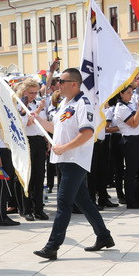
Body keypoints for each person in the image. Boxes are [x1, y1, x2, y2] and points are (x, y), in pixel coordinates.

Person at [32, 68, 114, 260]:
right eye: (58, 81)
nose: (58, 84)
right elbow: (57, 129)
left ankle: (52, 246)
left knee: (63, 203)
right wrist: (38, 121)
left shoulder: (83, 104)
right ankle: (104, 236)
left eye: (62, 81)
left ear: (74, 84)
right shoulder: (65, 104)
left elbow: (87, 133)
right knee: (83, 201)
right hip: (64, 159)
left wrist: (64, 148)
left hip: (75, 160)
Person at [16, 78, 49, 221]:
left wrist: (46, 139)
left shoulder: (37, 103)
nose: (34, 95)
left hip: (39, 140)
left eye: (35, 92)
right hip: (27, 141)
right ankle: (26, 209)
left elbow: (43, 123)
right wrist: (39, 109)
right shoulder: (19, 105)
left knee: (39, 176)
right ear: (24, 91)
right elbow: (28, 123)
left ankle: (39, 208)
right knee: (28, 177)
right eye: (31, 93)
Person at [112, 85, 139, 209]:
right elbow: (134, 123)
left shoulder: (131, 105)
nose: (131, 94)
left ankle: (138, 197)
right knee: (131, 171)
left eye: (131, 92)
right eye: (128, 92)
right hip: (131, 140)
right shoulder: (120, 108)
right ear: (121, 94)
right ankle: (131, 200)